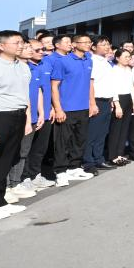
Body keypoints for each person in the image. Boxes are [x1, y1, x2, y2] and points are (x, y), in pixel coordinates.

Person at [0, 31, 34, 221]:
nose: (21, 46)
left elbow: (25, 96)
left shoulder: (23, 67)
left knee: (6, 160)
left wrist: (27, 119)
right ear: (1, 46)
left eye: (21, 42)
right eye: (16, 43)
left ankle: (0, 201)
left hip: (18, 116)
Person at [50, 33, 95, 185]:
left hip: (83, 107)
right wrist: (58, 109)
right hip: (67, 108)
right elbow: (54, 86)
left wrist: (92, 103)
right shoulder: (63, 61)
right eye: (84, 42)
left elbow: (89, 84)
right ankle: (60, 171)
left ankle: (74, 167)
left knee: (80, 140)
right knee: (62, 142)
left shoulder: (89, 60)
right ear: (74, 44)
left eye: (89, 42)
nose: (88, 44)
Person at [19, 38, 55, 191]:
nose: (42, 52)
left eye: (43, 49)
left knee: (40, 148)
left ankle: (35, 175)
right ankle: (23, 178)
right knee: (24, 150)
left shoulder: (43, 65)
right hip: (28, 116)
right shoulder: (23, 67)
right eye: (37, 50)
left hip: (43, 114)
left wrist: (50, 108)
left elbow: (42, 90)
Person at [6, 39, 40, 201]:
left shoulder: (26, 68)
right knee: (7, 153)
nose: (27, 49)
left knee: (22, 152)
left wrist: (31, 117)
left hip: (26, 115)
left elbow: (28, 96)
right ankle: (5, 186)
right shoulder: (4, 67)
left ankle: (15, 183)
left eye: (28, 46)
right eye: (24, 46)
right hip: (7, 116)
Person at [84, 35, 114, 174]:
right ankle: (88, 162)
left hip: (107, 101)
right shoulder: (93, 61)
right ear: (94, 47)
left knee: (102, 133)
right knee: (92, 134)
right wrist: (92, 103)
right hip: (97, 101)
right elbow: (90, 83)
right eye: (103, 44)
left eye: (108, 44)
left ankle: (99, 159)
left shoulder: (106, 62)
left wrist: (111, 100)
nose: (107, 47)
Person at [105, 48, 134, 166]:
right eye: (125, 57)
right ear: (117, 58)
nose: (128, 59)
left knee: (124, 128)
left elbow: (131, 87)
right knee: (116, 129)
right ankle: (112, 156)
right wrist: (117, 104)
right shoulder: (114, 70)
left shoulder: (129, 69)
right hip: (119, 99)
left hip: (128, 98)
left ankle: (120, 154)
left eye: (129, 57)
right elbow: (113, 88)